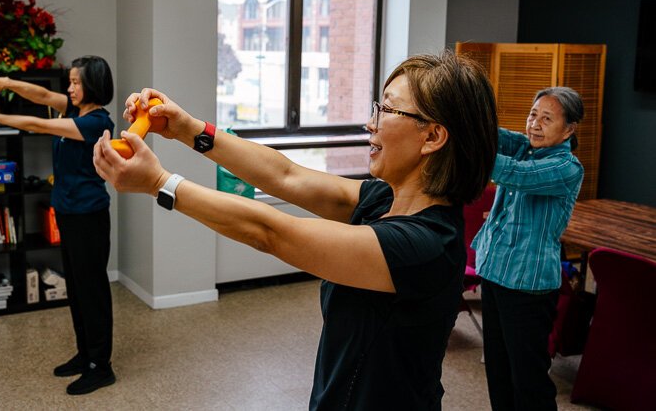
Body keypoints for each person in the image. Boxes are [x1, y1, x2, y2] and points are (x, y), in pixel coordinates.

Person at [93, 51, 498, 410]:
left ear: (432, 136)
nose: (370, 124)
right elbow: (285, 176)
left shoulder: (425, 246)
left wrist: (159, 183)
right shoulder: (382, 199)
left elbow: (270, 232)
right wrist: (185, 128)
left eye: (388, 111)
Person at [0, 56, 116, 396]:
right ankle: (85, 355)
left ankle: (101, 367)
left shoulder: (96, 123)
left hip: (89, 215)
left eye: (76, 82)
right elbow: (41, 96)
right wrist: (3, 83)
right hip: (68, 211)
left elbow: (40, 125)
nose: (69, 87)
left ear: (92, 84)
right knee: (76, 288)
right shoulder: (76, 110)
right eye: (70, 81)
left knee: (91, 290)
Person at [472, 86, 585, 411]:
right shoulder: (525, 146)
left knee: (528, 379)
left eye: (547, 118)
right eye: (533, 114)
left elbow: (514, 174)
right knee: (498, 369)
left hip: (528, 287)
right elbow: (491, 135)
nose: (534, 124)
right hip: (494, 274)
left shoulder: (566, 168)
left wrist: (470, 148)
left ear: (569, 129)